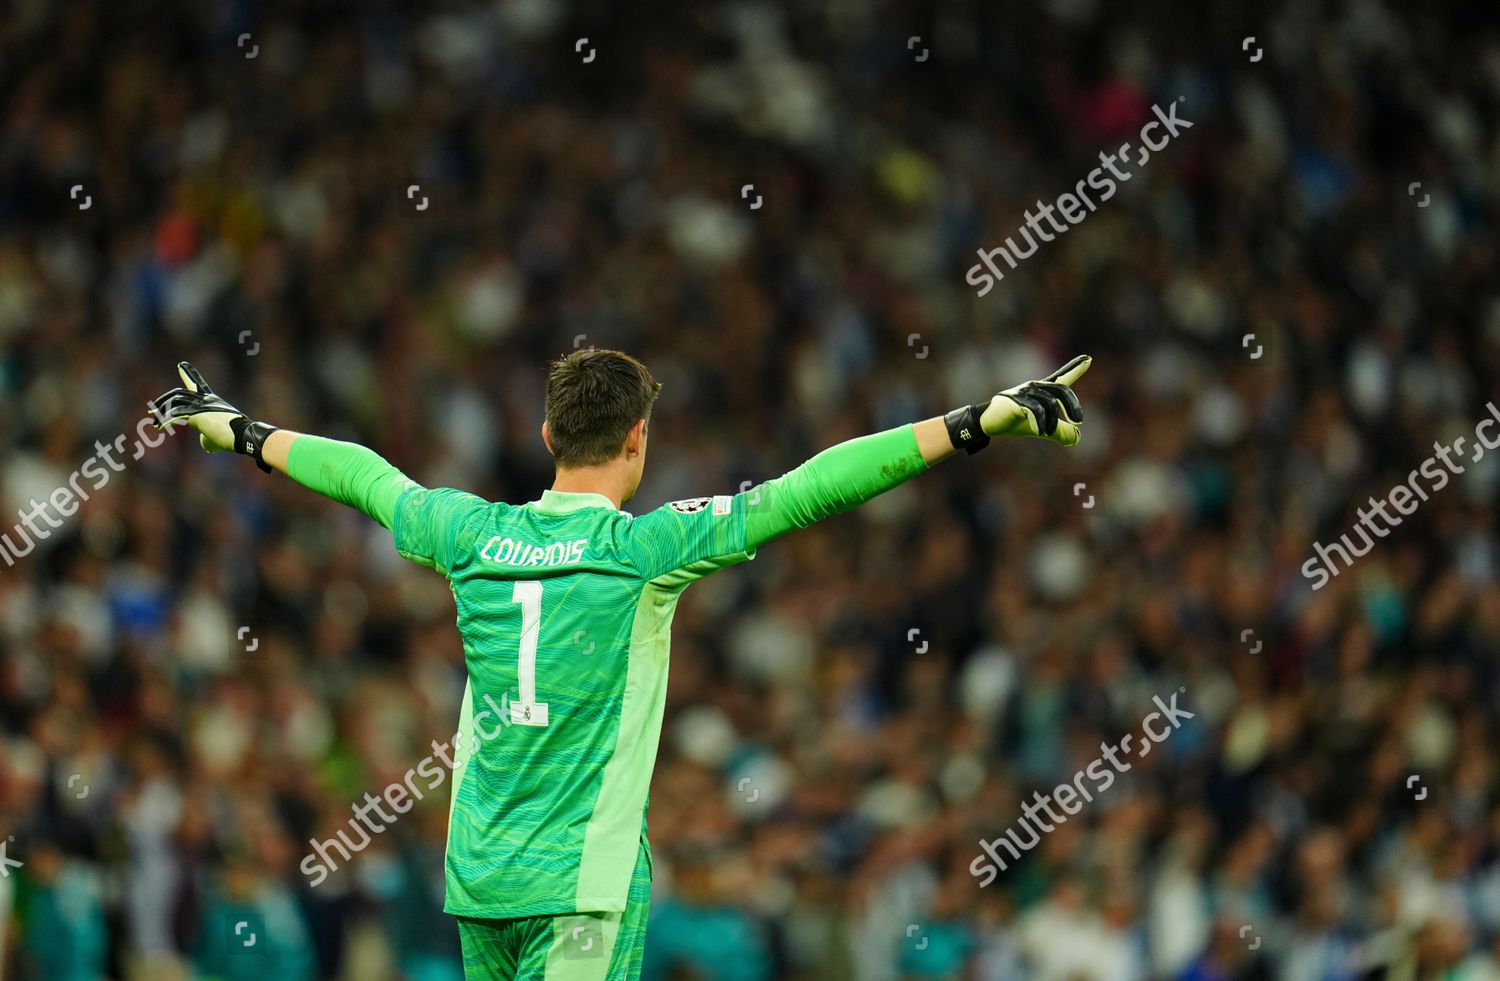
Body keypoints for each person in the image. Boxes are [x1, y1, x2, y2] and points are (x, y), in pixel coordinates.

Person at [149, 349, 1091, 980]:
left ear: (550, 437)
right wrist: (978, 421)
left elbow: (360, 472)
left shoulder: (466, 532)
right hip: (583, 887)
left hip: (479, 880)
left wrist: (238, 428)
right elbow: (812, 486)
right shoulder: (647, 552)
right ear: (638, 441)